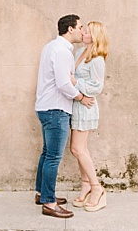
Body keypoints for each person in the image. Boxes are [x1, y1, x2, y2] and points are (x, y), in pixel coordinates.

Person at [34, 14, 95, 219]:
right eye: (80, 27)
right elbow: (63, 83)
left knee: (46, 153)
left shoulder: (51, 47)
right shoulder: (62, 51)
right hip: (55, 109)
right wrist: (81, 98)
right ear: (70, 29)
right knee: (53, 157)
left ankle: (42, 194)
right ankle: (49, 203)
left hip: (46, 107)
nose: (82, 31)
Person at [70, 20, 108, 212]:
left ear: (94, 36)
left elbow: (97, 86)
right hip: (77, 104)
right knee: (80, 148)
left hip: (86, 106)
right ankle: (85, 184)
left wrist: (76, 83)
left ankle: (97, 188)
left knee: (77, 149)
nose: (82, 32)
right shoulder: (79, 52)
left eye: (86, 30)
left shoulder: (97, 59)